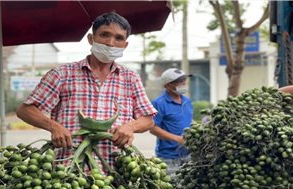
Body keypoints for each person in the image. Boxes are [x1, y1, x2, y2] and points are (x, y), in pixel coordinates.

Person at [16, 12, 157, 170]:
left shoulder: (130, 78)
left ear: (125, 45)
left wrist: (130, 127)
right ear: (91, 39)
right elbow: (25, 110)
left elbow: (148, 120)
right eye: (105, 35)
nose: (111, 43)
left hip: (115, 173)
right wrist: (53, 126)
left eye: (119, 38)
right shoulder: (62, 74)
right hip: (68, 171)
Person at [149, 68, 193, 178]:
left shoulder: (187, 101)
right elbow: (152, 128)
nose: (184, 83)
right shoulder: (159, 103)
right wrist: (177, 139)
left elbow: (188, 122)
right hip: (168, 157)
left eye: (184, 80)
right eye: (180, 81)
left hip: (188, 155)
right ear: (168, 85)